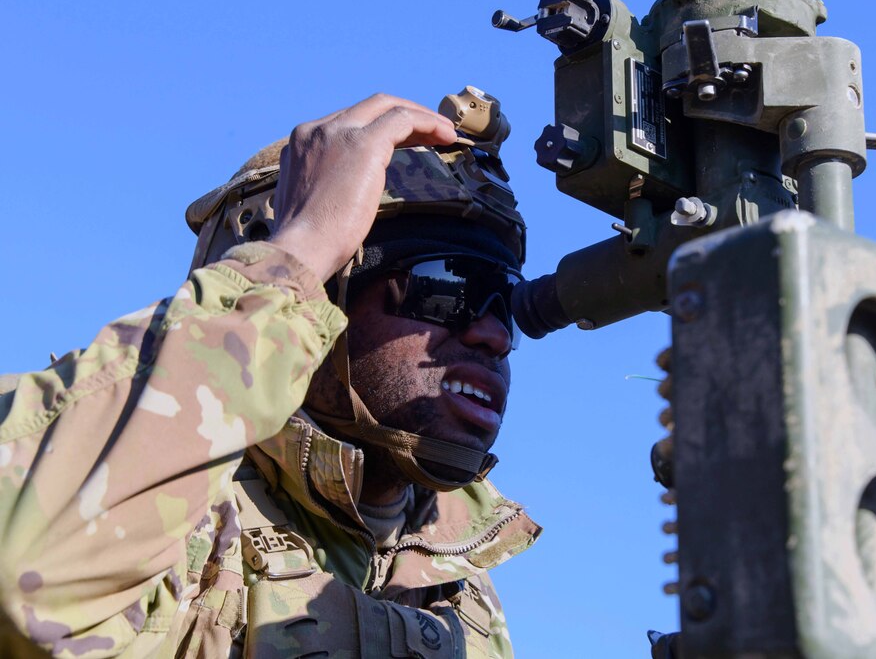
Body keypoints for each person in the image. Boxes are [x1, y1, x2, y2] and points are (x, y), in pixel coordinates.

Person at [0, 87, 541, 658]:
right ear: (322, 293)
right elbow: (29, 578)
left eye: (506, 302)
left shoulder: (460, 592)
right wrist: (298, 254)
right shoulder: (147, 505)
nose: (495, 334)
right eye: (447, 286)